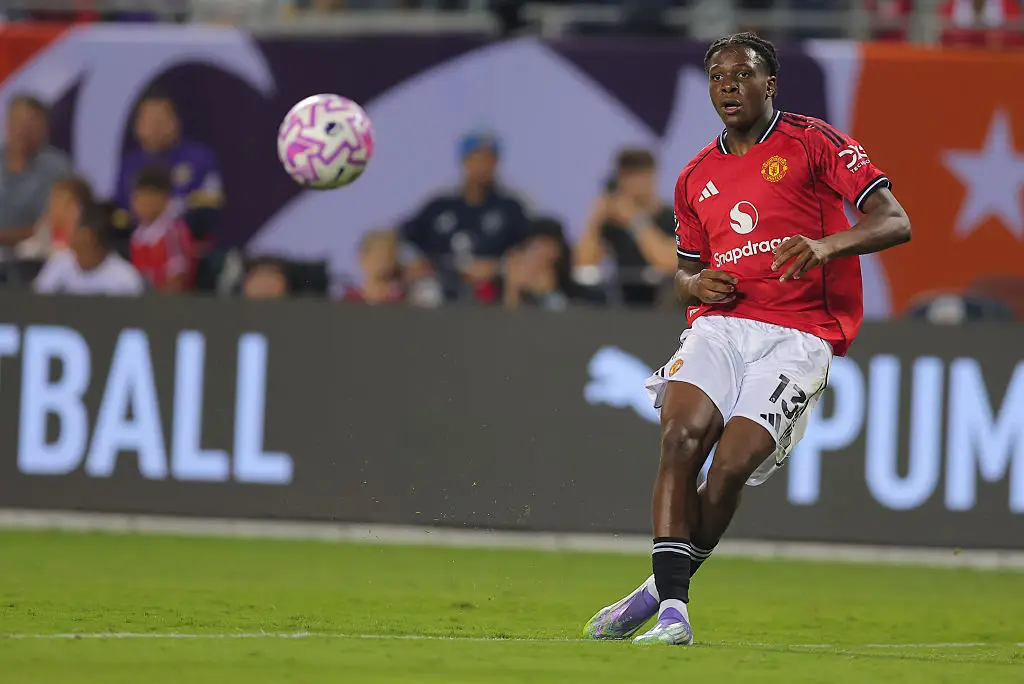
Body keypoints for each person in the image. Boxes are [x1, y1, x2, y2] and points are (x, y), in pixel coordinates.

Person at [583, 32, 911, 646]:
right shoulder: (694, 177)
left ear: (771, 84)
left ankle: (655, 589)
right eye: (717, 77)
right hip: (721, 329)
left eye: (742, 74)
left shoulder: (815, 142)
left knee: (730, 466)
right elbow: (682, 274)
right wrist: (694, 285)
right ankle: (675, 613)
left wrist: (824, 246)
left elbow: (895, 220)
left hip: (799, 336)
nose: (728, 86)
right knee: (681, 438)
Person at [399, 131, 529, 304]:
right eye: (476, 159)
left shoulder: (511, 209)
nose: (482, 166)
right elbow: (403, 238)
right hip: (439, 286)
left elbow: (528, 249)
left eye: (488, 160)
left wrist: (500, 267)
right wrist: (417, 262)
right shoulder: (439, 207)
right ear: (464, 162)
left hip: (493, 290)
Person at [573, 148, 677, 307]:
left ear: (652, 177)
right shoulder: (613, 223)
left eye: (640, 176)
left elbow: (670, 262)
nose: (634, 184)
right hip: (620, 302)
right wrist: (595, 220)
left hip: (664, 302)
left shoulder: (672, 216)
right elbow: (583, 266)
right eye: (628, 177)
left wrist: (636, 220)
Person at [114, 90, 223, 240]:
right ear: (137, 126)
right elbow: (121, 212)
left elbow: (210, 206)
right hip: (138, 248)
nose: (155, 127)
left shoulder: (198, 158)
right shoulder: (130, 164)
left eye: (161, 120)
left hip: (189, 245)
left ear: (176, 122)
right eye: (149, 120)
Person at [0, 94, 72, 246]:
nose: (22, 132)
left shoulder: (56, 169)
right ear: (7, 125)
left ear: (44, 129)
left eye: (29, 125)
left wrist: (6, 236)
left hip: (35, 257)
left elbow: (56, 225)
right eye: (18, 123)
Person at [34, 202, 145, 297]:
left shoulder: (124, 279)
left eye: (78, 230)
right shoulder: (59, 262)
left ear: (92, 238)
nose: (73, 236)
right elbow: (37, 303)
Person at [129, 165, 196, 293]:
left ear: (163, 198)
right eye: (136, 196)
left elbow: (177, 281)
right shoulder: (137, 235)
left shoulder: (173, 231)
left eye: (144, 196)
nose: (138, 202)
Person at [16, 175, 94, 260]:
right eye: (52, 202)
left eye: (58, 202)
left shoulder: (87, 239)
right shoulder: (46, 228)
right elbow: (27, 249)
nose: (51, 207)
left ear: (76, 208)